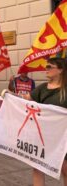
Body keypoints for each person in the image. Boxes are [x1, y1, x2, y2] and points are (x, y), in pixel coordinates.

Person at [25, 58, 67, 186]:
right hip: (43, 135)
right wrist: (9, 95)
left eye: (49, 67)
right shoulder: (42, 88)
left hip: (62, 137)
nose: (46, 69)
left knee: (65, 168)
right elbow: (26, 101)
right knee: (38, 167)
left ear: (60, 70)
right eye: (46, 66)